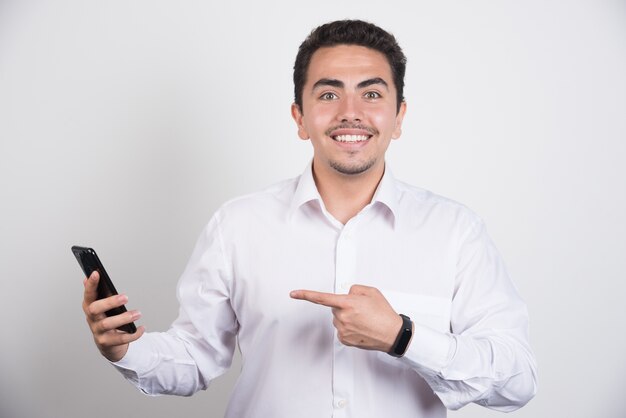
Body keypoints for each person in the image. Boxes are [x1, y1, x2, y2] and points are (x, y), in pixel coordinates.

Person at [82, 19, 537, 418]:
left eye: (372, 93)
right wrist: (126, 349)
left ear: (399, 116)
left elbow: (516, 381)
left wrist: (403, 336)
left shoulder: (456, 232)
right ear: (300, 117)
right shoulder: (238, 225)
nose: (350, 113)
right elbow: (195, 357)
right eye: (328, 93)